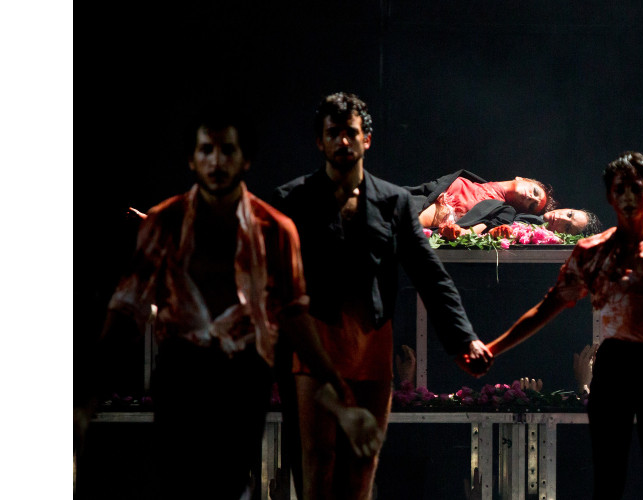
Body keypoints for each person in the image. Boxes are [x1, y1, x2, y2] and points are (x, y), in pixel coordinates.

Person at [89, 111, 381, 500]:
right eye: (206, 150)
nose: (216, 161)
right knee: (177, 483)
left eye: (227, 150)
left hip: (243, 376)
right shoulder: (163, 223)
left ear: (245, 159)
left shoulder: (275, 230)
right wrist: (85, 398)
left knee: (229, 483)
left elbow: (296, 318)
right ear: (192, 159)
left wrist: (338, 393)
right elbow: (126, 310)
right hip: (180, 372)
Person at [272, 92, 493, 500]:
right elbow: (271, 278)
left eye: (350, 132)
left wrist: (465, 339)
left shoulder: (393, 202)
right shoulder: (294, 199)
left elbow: (430, 274)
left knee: (362, 464)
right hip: (313, 346)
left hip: (371, 344)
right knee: (316, 462)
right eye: (333, 133)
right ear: (320, 141)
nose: (342, 141)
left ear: (366, 139)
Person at [485, 151, 643, 500]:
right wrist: (492, 348)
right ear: (610, 195)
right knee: (607, 483)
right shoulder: (592, 252)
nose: (627, 197)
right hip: (613, 366)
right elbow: (546, 309)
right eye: (620, 189)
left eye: (636, 188)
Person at [404, 169, 555, 227]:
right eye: (535, 192)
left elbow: (479, 230)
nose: (531, 198)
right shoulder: (469, 178)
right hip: (405, 202)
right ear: (522, 178)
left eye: (532, 205)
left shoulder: (502, 212)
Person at [436, 198, 601, 240]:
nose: (561, 218)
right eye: (569, 214)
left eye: (567, 227)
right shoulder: (534, 206)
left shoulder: (540, 234)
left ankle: (465, 234)